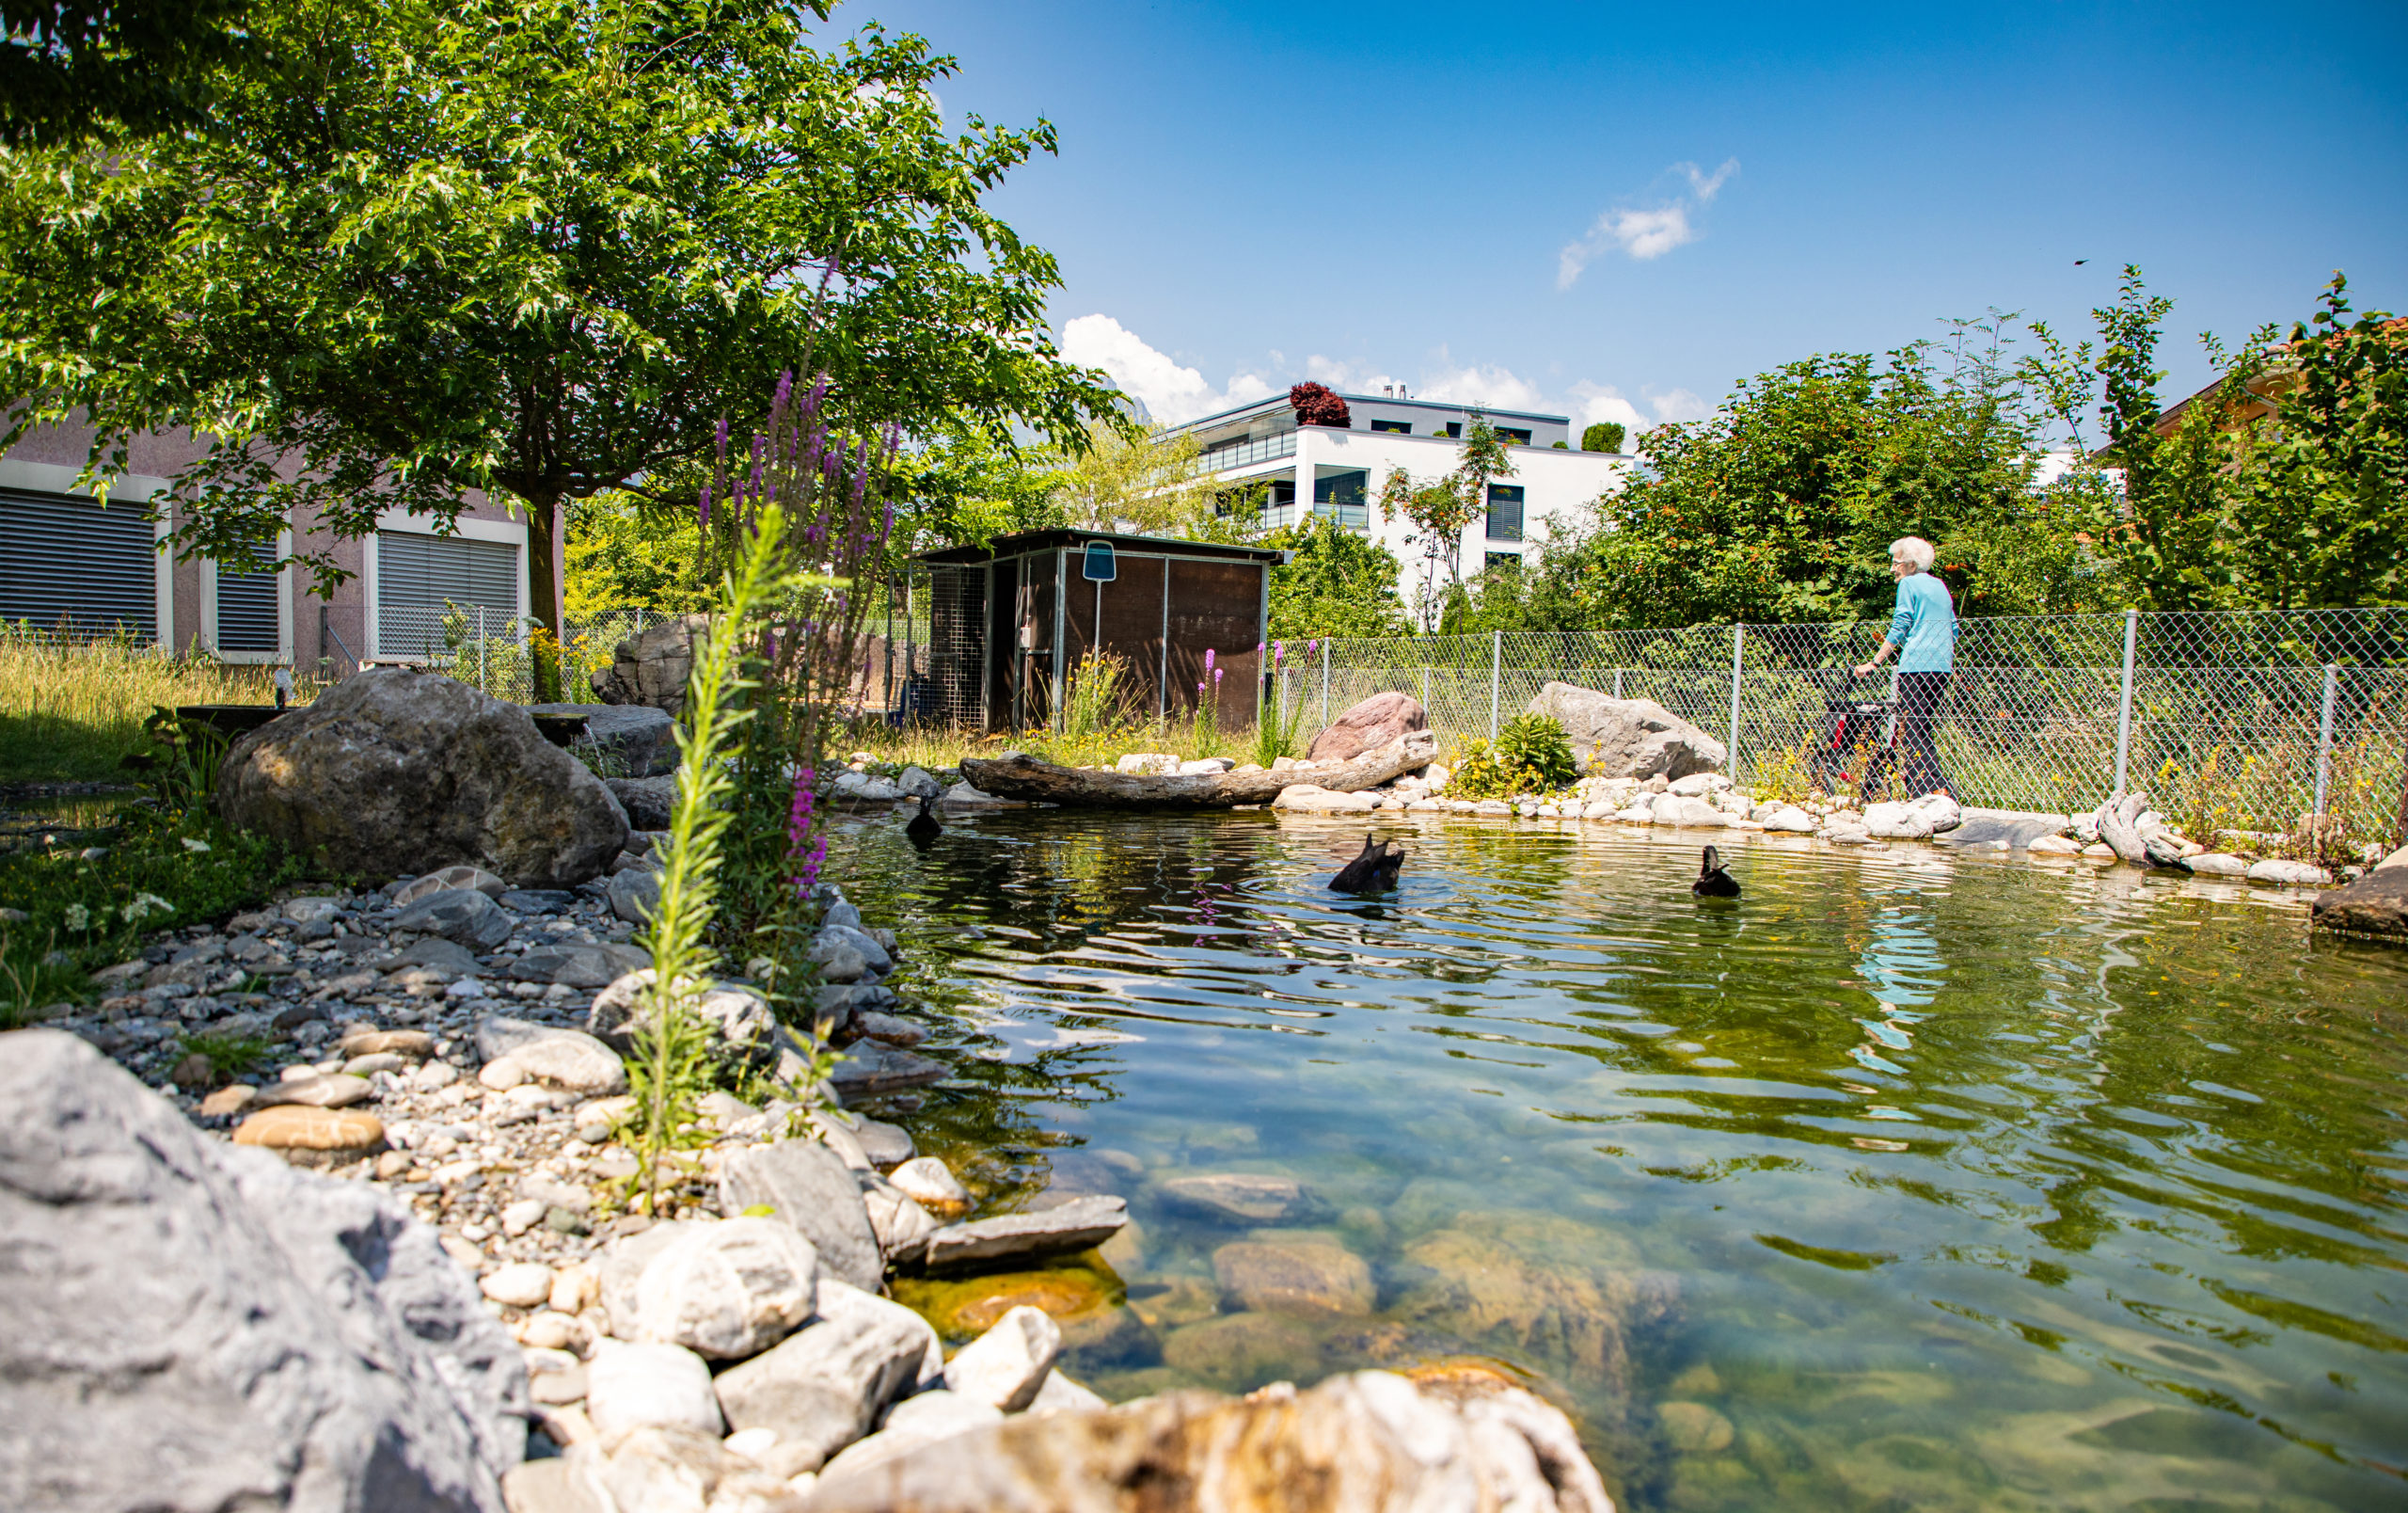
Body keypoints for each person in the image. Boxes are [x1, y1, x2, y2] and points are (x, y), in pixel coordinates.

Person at [1853, 536, 1955, 798]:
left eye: (1896, 562)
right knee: (1923, 725)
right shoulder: (1940, 585)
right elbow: (1953, 626)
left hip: (1915, 664)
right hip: (1942, 665)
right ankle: (1934, 788)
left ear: (1910, 564)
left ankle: (1927, 790)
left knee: (1912, 729)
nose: (1892, 568)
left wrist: (1875, 662)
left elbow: (1901, 624)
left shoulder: (1909, 584)